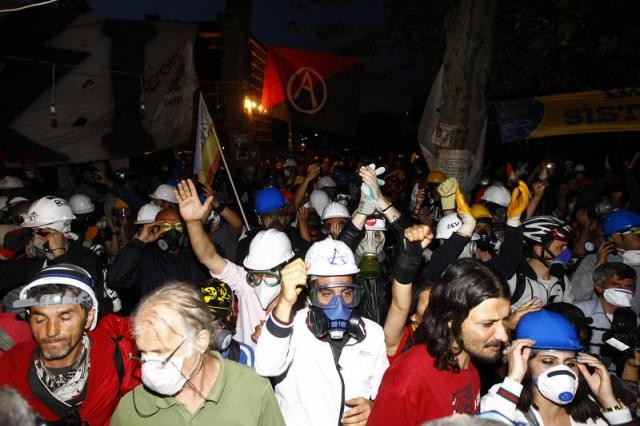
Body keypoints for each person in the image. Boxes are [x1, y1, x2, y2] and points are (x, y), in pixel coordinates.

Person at [255, 237, 389, 426]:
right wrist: (285, 301)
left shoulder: (373, 333)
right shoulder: (290, 327)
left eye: (347, 293)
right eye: (327, 294)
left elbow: (383, 393)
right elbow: (266, 366)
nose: (339, 304)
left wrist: (375, 408)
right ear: (310, 294)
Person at [111, 282, 284, 426]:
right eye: (144, 354)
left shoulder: (255, 389)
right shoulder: (130, 410)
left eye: (162, 353)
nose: (149, 368)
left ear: (201, 340)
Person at [367, 259, 511, 425]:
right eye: (487, 324)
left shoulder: (471, 366)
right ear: (451, 318)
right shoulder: (411, 376)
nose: (503, 335)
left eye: (505, 320)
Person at [0, 264, 140, 424]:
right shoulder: (12, 365)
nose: (51, 331)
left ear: (88, 318)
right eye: (40, 319)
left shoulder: (116, 356)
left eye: (65, 318)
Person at [176, 179, 295, 347]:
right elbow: (208, 256)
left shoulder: (300, 303)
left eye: (268, 273)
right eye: (255, 274)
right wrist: (193, 223)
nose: (259, 281)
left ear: (286, 268)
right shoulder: (246, 285)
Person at [481, 309, 633, 425]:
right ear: (524, 363)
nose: (563, 371)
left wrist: (609, 402)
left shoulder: (590, 413)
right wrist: (513, 378)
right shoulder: (503, 403)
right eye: (548, 361)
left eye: (570, 363)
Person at [107, 207, 209, 313]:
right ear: (156, 229)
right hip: (158, 323)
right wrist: (139, 242)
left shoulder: (196, 256)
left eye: (178, 226)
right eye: (166, 226)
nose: (173, 231)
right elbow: (115, 279)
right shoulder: (145, 258)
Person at [573, 210, 640, 312]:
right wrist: (598, 267)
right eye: (635, 231)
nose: (639, 234)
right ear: (616, 237)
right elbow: (575, 294)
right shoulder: (592, 260)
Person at [508, 215, 574, 309]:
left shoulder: (562, 280)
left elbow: (568, 313)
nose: (566, 252)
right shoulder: (515, 280)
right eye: (560, 247)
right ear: (539, 250)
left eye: (567, 246)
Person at [574, 262, 637, 356]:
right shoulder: (580, 311)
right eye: (616, 285)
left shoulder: (635, 320)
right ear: (599, 287)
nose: (623, 290)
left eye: (628, 286)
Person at [235, 186, 310, 264]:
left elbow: (309, 254)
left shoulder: (293, 235)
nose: (276, 222)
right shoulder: (248, 245)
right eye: (269, 218)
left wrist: (303, 224)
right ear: (260, 219)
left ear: (285, 215)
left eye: (279, 216)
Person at [199, 278, 255, 367]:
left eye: (209, 317)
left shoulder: (240, 354)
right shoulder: (183, 349)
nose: (202, 322)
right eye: (198, 315)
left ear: (227, 317)